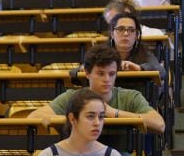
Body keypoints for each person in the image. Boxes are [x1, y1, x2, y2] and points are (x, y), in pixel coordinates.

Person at [29, 44, 165, 134]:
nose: (107, 79)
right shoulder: (73, 97)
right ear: (87, 73)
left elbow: (159, 125)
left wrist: (114, 113)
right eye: (100, 73)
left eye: (112, 74)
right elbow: (34, 117)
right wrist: (82, 119)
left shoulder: (130, 97)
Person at [108, 11, 166, 80]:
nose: (126, 34)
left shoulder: (143, 52)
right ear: (112, 34)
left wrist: (140, 68)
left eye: (131, 30)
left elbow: (162, 73)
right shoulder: (102, 53)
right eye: (120, 29)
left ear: (136, 35)